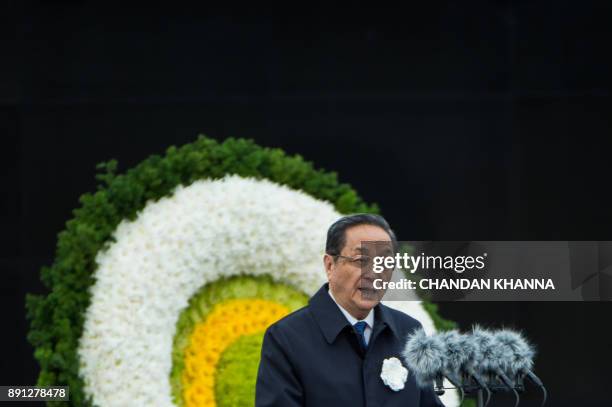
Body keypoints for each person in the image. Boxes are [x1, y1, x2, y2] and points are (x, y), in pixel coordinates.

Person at [256, 214, 444, 406]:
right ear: (330, 265)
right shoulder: (287, 338)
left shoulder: (408, 331)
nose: (374, 273)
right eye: (361, 260)